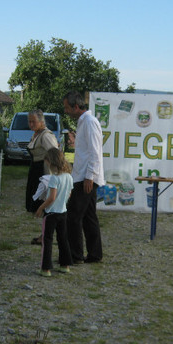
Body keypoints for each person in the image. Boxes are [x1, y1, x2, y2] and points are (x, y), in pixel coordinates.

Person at [63, 91, 104, 263]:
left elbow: (95, 152)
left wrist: (89, 177)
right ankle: (94, 255)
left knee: (73, 216)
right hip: (83, 176)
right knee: (88, 217)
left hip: (86, 178)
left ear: (76, 107)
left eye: (67, 107)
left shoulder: (89, 122)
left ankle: (75, 255)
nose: (65, 111)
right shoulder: (85, 122)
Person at [34, 148, 73, 277]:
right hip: (63, 212)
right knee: (63, 239)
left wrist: (41, 207)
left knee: (47, 240)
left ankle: (45, 268)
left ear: (50, 162)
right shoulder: (68, 176)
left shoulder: (54, 179)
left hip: (51, 214)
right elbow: (69, 194)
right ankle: (65, 265)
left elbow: (51, 198)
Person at [25, 109, 59, 245]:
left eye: (34, 121)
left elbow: (55, 155)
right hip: (37, 170)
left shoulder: (46, 136)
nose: (31, 124)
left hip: (45, 172)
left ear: (41, 121)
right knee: (43, 205)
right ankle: (45, 234)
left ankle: (46, 235)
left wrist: (55, 176)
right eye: (29, 121)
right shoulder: (37, 134)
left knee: (47, 205)